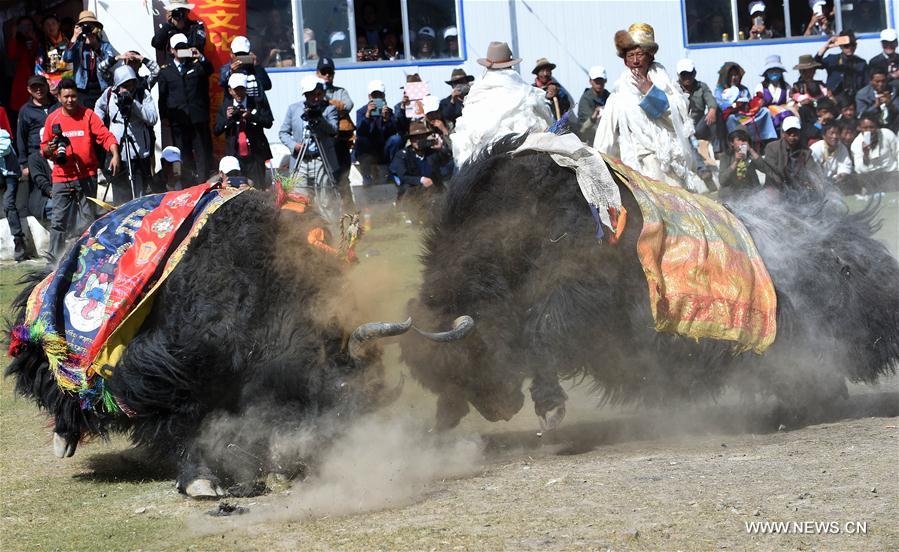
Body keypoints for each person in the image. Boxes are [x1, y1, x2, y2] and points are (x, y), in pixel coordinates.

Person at [595, 24, 705, 191]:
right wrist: (597, 167)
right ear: (625, 61)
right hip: (637, 164)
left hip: (670, 163)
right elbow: (605, 136)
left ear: (650, 57)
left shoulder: (666, 85)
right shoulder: (619, 95)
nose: (635, 60)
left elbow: (678, 121)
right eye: (630, 55)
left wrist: (650, 91)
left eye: (640, 54)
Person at [41, 78, 121, 258]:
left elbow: (105, 136)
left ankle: (89, 255)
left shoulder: (88, 115)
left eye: (73, 96)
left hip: (87, 176)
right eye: (66, 96)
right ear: (59, 98)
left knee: (88, 219)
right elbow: (44, 150)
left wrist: (115, 154)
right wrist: (51, 148)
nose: (70, 100)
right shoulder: (52, 119)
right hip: (62, 177)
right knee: (58, 222)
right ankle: (53, 261)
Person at [452, 41, 553, 165]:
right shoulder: (517, 83)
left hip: (480, 151)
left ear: (488, 65)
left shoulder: (479, 87)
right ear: (510, 64)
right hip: (521, 143)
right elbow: (543, 111)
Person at [95, 65, 159, 204]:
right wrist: (100, 127)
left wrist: (134, 104)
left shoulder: (143, 94)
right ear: (117, 85)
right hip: (118, 152)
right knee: (120, 191)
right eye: (125, 85)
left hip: (140, 152)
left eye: (131, 84)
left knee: (140, 193)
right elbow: (98, 108)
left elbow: (152, 118)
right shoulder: (109, 94)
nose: (129, 88)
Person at [157, 33, 214, 187]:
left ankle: (203, 183)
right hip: (178, 119)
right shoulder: (166, 71)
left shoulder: (197, 65)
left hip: (197, 118)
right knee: (181, 153)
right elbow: (163, 97)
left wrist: (200, 56)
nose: (181, 51)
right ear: (171, 50)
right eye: (178, 48)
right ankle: (186, 185)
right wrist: (165, 117)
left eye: (184, 47)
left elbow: (210, 69)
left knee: (201, 152)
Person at [279, 76, 340, 194]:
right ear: (306, 95)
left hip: (321, 159)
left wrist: (319, 118)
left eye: (319, 94)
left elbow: (333, 130)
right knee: (299, 196)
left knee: (325, 197)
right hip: (300, 159)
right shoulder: (294, 109)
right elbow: (283, 132)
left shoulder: (329, 109)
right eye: (312, 94)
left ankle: (328, 213)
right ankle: (306, 214)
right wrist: (294, 145)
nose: (316, 98)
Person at [214, 73, 274, 190]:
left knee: (257, 188)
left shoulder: (257, 102)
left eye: (241, 89)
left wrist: (251, 116)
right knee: (236, 188)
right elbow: (217, 130)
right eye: (236, 90)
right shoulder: (226, 106)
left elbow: (268, 122)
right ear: (230, 90)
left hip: (255, 153)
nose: (239, 93)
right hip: (235, 155)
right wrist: (228, 119)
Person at [62, 10, 117, 109]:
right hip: (82, 89)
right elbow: (67, 58)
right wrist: (74, 36)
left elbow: (110, 61)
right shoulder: (77, 46)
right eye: (84, 26)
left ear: (96, 28)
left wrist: (95, 45)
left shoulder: (104, 45)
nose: (87, 28)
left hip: (102, 88)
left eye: (90, 25)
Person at [714, 62, 777, 146]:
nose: (734, 78)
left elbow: (750, 103)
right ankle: (738, 143)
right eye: (731, 75)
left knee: (765, 111)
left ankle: (768, 140)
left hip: (746, 115)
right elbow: (721, 105)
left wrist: (756, 104)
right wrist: (735, 105)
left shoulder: (744, 89)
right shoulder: (719, 90)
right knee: (731, 118)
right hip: (734, 117)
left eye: (736, 75)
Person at [390, 120, 453, 203]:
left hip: (433, 191)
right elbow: (403, 176)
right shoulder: (403, 155)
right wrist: (421, 180)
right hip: (413, 191)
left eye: (421, 137)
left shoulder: (432, 153)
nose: (418, 140)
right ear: (411, 140)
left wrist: (441, 148)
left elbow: (447, 158)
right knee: (407, 188)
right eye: (415, 138)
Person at [758, 116, 823, 194]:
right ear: (783, 133)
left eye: (795, 132)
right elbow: (771, 171)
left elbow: (812, 170)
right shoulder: (772, 147)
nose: (792, 135)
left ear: (799, 133)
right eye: (789, 132)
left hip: (798, 186)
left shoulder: (806, 152)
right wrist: (784, 187)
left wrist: (817, 184)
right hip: (776, 186)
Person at [354, 80, 398, 185]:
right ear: (370, 97)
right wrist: (368, 115)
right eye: (375, 95)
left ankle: (393, 172)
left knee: (396, 139)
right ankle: (366, 175)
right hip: (368, 151)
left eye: (380, 95)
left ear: (384, 96)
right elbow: (360, 131)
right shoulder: (361, 111)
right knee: (361, 140)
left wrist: (386, 120)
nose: (377, 98)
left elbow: (394, 132)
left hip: (383, 150)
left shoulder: (389, 112)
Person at [316, 57, 354, 176]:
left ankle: (344, 194)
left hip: (340, 139)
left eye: (330, 72)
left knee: (343, 174)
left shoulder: (341, 91)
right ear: (317, 74)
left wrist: (327, 103)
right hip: (321, 139)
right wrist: (337, 105)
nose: (327, 75)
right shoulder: (312, 92)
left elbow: (348, 105)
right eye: (323, 72)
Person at [16, 75, 59, 175]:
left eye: (41, 86)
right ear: (29, 89)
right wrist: (24, 163)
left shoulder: (58, 105)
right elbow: (21, 137)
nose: (38, 89)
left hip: (57, 154)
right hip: (36, 155)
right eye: (34, 87)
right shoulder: (25, 110)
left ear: (47, 86)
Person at [675, 59, 720, 152]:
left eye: (689, 73)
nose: (687, 77)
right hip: (683, 127)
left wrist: (712, 109)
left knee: (716, 112)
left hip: (699, 125)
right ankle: (700, 165)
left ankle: (717, 150)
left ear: (694, 73)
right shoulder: (674, 89)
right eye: (684, 74)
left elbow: (711, 100)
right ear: (679, 75)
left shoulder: (701, 87)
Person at [815, 31, 868, 102]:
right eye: (846, 45)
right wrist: (826, 47)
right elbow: (815, 64)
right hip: (834, 99)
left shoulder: (861, 63)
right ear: (840, 46)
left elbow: (866, 84)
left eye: (852, 45)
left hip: (854, 99)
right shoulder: (833, 59)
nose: (850, 48)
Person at [850, 113, 898, 191]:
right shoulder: (856, 144)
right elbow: (860, 170)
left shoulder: (887, 134)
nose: (869, 131)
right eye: (865, 128)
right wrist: (865, 154)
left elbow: (897, 152)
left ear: (876, 127)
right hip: (872, 178)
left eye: (871, 127)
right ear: (860, 128)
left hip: (891, 174)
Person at [218, 35, 272, 102]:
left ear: (249, 53)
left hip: (255, 107)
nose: (240, 57)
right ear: (231, 53)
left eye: (244, 54)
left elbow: (267, 85)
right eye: (238, 54)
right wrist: (231, 72)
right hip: (234, 107)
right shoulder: (227, 68)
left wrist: (256, 66)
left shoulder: (254, 68)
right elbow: (221, 82)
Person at [5, 16, 40, 119]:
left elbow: (39, 54)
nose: (26, 28)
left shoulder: (38, 38)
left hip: (37, 75)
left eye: (29, 25)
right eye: (23, 26)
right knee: (22, 106)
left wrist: (35, 40)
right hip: (22, 79)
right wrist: (14, 35)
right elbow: (12, 55)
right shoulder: (17, 41)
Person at [717, 126, 763, 200]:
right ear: (732, 143)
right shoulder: (725, 156)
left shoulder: (751, 155)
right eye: (739, 140)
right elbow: (722, 180)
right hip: (731, 196)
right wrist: (735, 162)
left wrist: (751, 150)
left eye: (744, 140)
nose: (742, 143)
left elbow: (765, 169)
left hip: (750, 194)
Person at [1, 129, 26, 260]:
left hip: (10, 174)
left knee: (8, 203)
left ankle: (19, 240)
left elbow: (4, 149)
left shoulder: (2, 134)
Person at [754, 55, 795, 134]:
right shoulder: (760, 86)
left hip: (784, 116)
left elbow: (790, 102)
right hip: (767, 118)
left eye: (777, 70)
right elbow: (757, 103)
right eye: (771, 71)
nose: (774, 73)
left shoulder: (786, 86)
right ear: (767, 73)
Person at [791, 55, 829, 134]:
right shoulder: (796, 86)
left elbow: (826, 100)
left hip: (820, 115)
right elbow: (792, 103)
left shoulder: (821, 84)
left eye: (811, 70)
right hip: (805, 118)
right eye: (805, 70)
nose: (809, 73)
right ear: (801, 72)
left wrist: (814, 102)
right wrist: (800, 104)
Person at [810, 121, 853, 191]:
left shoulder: (842, 147)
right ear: (824, 135)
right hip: (817, 183)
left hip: (834, 182)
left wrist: (842, 175)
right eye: (831, 133)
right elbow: (811, 169)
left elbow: (846, 165)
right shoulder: (815, 148)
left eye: (837, 133)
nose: (835, 136)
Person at [34, 14, 72, 93]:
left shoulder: (69, 39)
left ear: (58, 25)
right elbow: (38, 67)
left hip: (71, 79)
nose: (51, 27)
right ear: (43, 28)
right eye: (47, 24)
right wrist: (47, 82)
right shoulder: (41, 44)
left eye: (53, 23)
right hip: (53, 83)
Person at [854, 66, 899, 132]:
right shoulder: (862, 95)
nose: (880, 84)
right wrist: (875, 106)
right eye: (877, 81)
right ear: (871, 81)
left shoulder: (893, 90)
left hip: (892, 126)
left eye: (883, 81)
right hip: (873, 128)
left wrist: (890, 104)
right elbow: (860, 115)